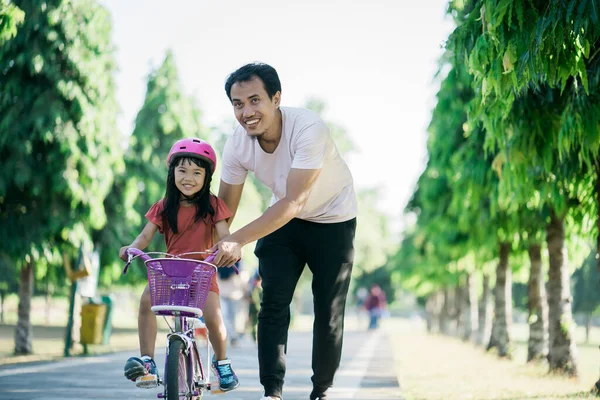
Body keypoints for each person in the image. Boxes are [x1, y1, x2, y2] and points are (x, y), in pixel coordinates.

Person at [211, 63, 357, 400]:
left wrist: (237, 240)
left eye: (254, 100)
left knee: (329, 309)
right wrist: (206, 245)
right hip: (285, 223)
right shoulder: (237, 145)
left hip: (333, 219)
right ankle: (272, 392)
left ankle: (322, 389)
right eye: (237, 104)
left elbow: (294, 201)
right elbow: (224, 212)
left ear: (276, 98)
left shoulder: (309, 129)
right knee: (273, 303)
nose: (246, 112)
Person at [119, 138, 240, 392]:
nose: (189, 178)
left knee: (215, 319)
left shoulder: (213, 205)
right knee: (146, 302)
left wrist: (228, 245)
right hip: (170, 274)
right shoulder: (164, 207)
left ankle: (222, 362)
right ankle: (148, 361)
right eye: (182, 170)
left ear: (206, 177)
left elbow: (224, 233)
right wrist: (131, 249)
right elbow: (144, 237)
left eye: (197, 172)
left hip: (202, 273)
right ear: (172, 172)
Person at [217, 260, 244, 347]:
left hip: (224, 291)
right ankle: (232, 336)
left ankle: (230, 336)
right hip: (233, 292)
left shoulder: (219, 259)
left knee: (226, 316)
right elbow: (240, 273)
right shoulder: (237, 260)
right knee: (231, 316)